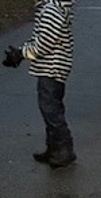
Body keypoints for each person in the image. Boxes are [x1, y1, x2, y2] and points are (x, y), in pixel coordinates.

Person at [2, 0, 76, 168]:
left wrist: (22, 54)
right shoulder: (51, 8)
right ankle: (54, 148)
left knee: (51, 110)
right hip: (51, 67)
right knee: (50, 109)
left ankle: (65, 149)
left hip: (52, 67)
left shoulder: (50, 10)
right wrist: (21, 51)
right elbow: (41, 39)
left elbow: (44, 43)